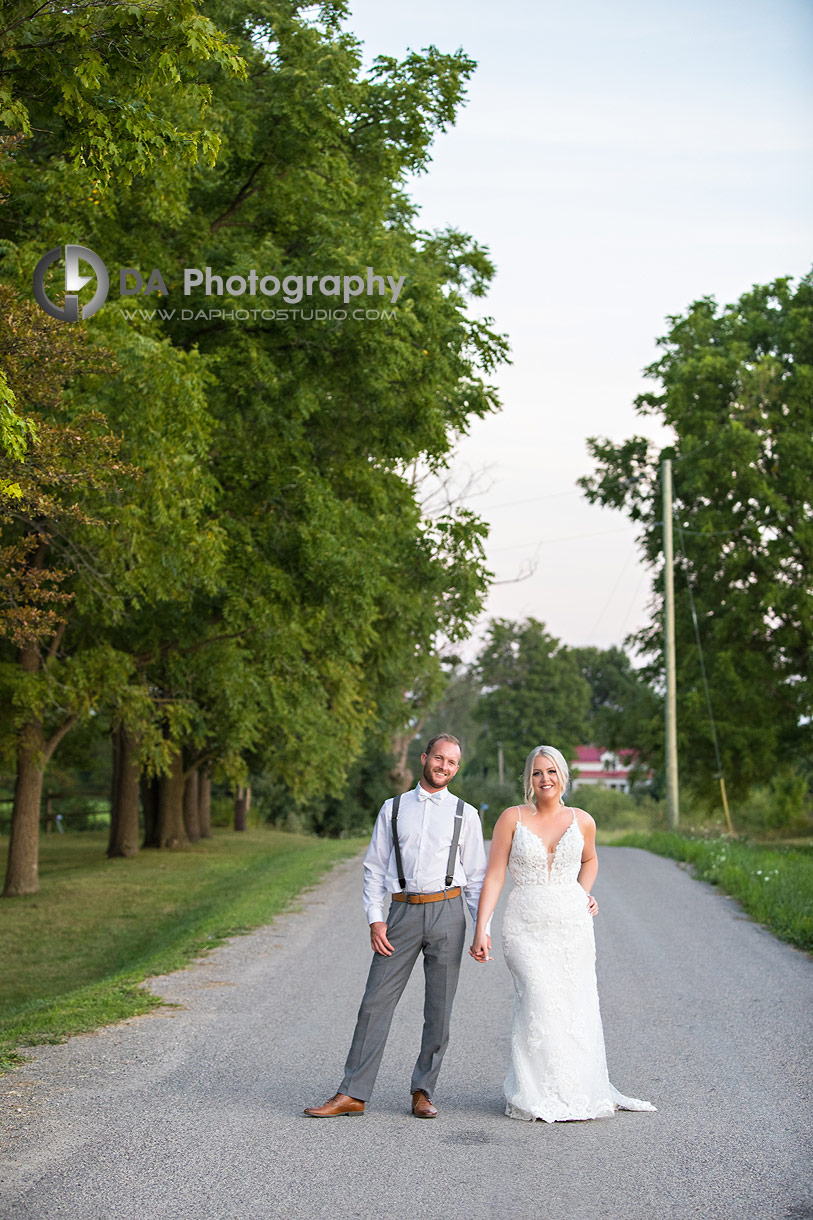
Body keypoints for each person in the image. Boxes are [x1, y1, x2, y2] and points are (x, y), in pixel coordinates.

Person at [305, 733, 489, 1119]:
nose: (444, 767)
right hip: (402, 913)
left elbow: (474, 877)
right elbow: (374, 867)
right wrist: (375, 919)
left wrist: (480, 928)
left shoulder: (465, 814)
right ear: (424, 758)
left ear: (457, 768)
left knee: (439, 1009)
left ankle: (423, 1091)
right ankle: (352, 1093)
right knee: (374, 1003)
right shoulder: (393, 809)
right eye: (439, 759)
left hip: (448, 913)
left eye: (452, 763)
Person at [470, 744, 656, 1122]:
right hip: (525, 925)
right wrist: (481, 927)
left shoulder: (582, 819)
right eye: (538, 773)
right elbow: (495, 874)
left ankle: (575, 1088)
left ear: (563, 776)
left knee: (574, 1004)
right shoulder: (511, 818)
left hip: (572, 925)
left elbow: (589, 859)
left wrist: (584, 893)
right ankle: (535, 1091)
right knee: (538, 999)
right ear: (529, 779)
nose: (545, 779)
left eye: (551, 772)